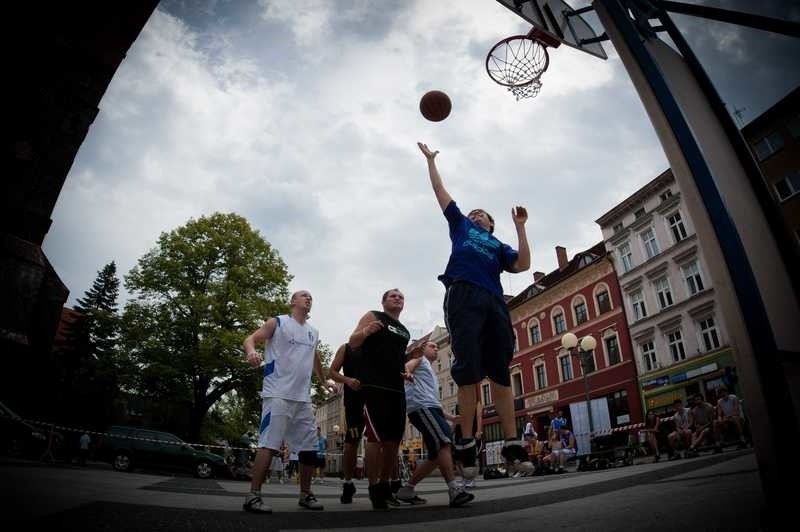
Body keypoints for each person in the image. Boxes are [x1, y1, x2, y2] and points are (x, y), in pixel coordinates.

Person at [418, 142, 534, 476]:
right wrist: (431, 162)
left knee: (499, 370)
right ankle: (467, 445)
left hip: (494, 300)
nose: (475, 215)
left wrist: (522, 226)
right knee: (468, 369)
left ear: (491, 224)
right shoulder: (461, 228)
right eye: (473, 213)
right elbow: (440, 191)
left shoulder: (498, 246)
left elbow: (523, 264)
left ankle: (513, 445)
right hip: (463, 295)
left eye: (481, 214)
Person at [241, 290, 334, 514]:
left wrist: (323, 381)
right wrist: (252, 351)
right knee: (269, 443)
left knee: (309, 448)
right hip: (278, 394)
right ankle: (253, 496)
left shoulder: (313, 332)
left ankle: (305, 495)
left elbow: (314, 358)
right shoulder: (279, 322)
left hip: (302, 399)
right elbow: (250, 338)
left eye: (311, 296)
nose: (308, 298)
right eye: (303, 295)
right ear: (293, 301)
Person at [347, 288, 419, 510]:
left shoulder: (405, 331)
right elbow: (353, 341)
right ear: (384, 301)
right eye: (393, 296)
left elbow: (398, 359)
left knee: (393, 441)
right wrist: (366, 331)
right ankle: (374, 488)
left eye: (401, 297)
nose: (398, 298)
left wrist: (405, 372)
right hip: (374, 386)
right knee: (375, 439)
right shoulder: (374, 316)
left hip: (397, 388)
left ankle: (386, 485)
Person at [396, 341, 474, 507]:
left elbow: (435, 404)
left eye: (437, 346)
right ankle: (454, 490)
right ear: (423, 350)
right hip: (421, 407)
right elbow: (408, 365)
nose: (436, 348)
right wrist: (408, 372)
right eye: (432, 346)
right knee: (444, 443)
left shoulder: (430, 371)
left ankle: (407, 490)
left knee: (435, 456)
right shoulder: (421, 360)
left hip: (430, 409)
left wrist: (452, 418)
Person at [328, 342, 365, 503]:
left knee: (384, 440)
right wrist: (348, 380)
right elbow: (332, 372)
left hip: (377, 399)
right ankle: (348, 483)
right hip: (354, 403)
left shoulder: (379, 346)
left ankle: (386, 483)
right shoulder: (347, 348)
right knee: (352, 440)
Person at [452, 396, 483, 489]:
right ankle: (464, 478)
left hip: (470, 431)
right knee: (458, 459)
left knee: (471, 457)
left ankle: (471, 479)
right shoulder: (458, 403)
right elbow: (457, 419)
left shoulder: (476, 401)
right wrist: (451, 431)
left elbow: (479, 416)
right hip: (459, 432)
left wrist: (478, 430)